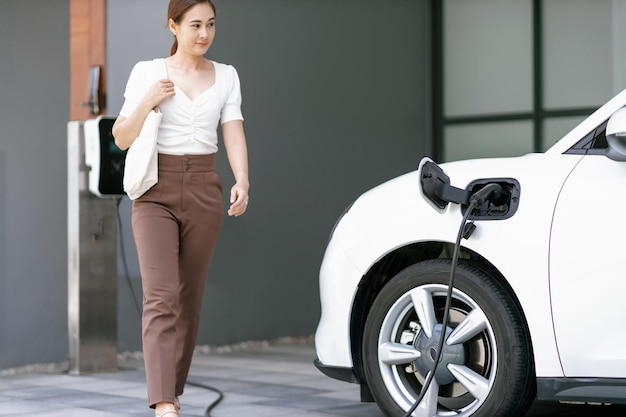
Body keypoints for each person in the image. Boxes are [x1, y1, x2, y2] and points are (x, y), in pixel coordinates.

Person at [112, 0, 249, 416]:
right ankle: (163, 403)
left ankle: (173, 388)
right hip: (155, 189)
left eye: (210, 25)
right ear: (173, 26)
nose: (204, 34)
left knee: (189, 298)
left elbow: (234, 131)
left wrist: (242, 179)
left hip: (205, 188)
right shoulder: (148, 72)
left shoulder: (226, 76)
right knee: (161, 296)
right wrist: (147, 101)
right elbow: (121, 137)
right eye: (194, 25)